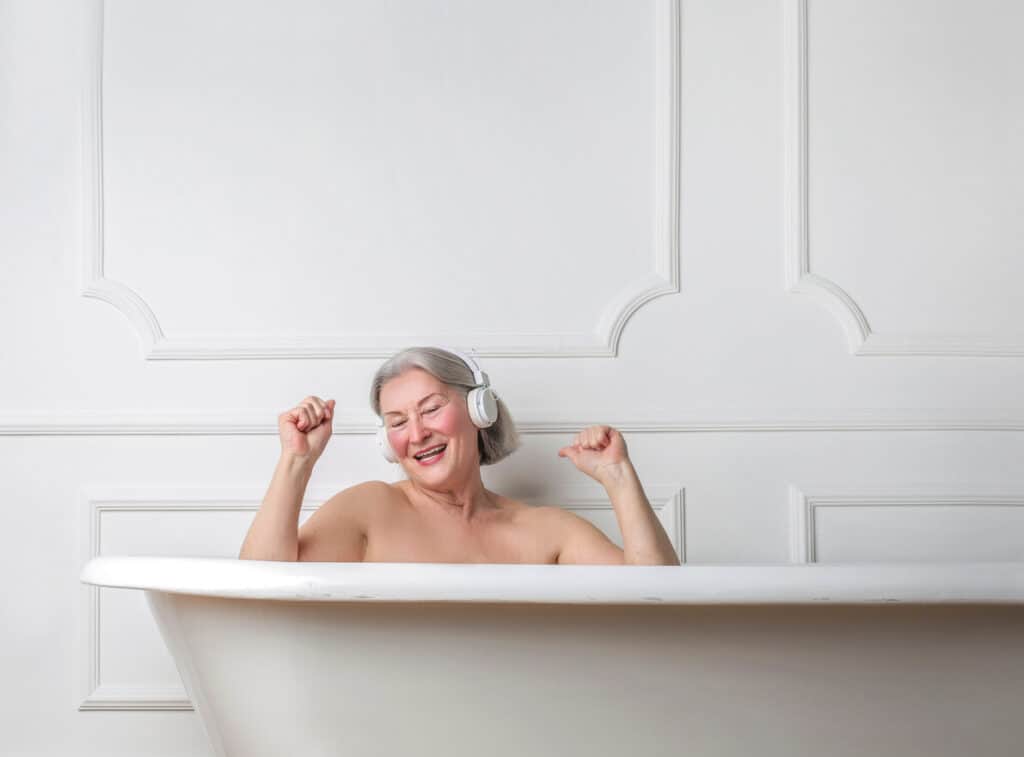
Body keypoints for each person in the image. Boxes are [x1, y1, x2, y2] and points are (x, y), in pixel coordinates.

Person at [239, 346, 679, 565]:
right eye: (396, 422)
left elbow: (656, 603)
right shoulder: (369, 509)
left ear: (478, 410)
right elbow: (258, 586)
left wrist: (619, 478)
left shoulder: (546, 530)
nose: (416, 433)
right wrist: (297, 462)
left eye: (431, 409)